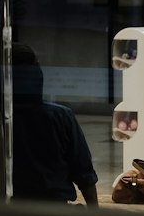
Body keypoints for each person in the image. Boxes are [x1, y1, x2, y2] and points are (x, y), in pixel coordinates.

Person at [11, 42, 99, 206]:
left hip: (8, 208)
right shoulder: (60, 116)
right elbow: (83, 171)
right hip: (54, 207)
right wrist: (94, 212)